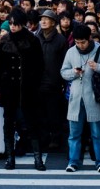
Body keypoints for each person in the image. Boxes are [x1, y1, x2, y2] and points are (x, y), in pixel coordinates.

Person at [0, 9, 45, 170]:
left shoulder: (32, 40)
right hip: (9, 87)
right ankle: (10, 157)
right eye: (11, 24)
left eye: (16, 24)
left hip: (28, 87)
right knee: (9, 123)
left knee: (31, 122)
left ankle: (38, 158)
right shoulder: (4, 40)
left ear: (23, 24)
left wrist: (35, 84)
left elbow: (40, 65)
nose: (13, 27)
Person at [60, 24, 100, 173]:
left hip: (94, 99)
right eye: (77, 42)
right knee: (74, 134)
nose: (80, 45)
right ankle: (73, 162)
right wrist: (73, 72)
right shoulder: (71, 52)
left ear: (89, 38)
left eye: (83, 42)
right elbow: (63, 72)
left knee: (97, 133)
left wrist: (98, 67)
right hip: (75, 99)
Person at [35, 9, 69, 150]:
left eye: (46, 19)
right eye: (41, 19)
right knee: (40, 113)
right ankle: (43, 138)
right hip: (38, 81)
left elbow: (65, 62)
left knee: (54, 113)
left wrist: (62, 81)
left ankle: (56, 138)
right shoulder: (36, 37)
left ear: (53, 22)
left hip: (55, 82)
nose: (43, 21)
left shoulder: (61, 40)